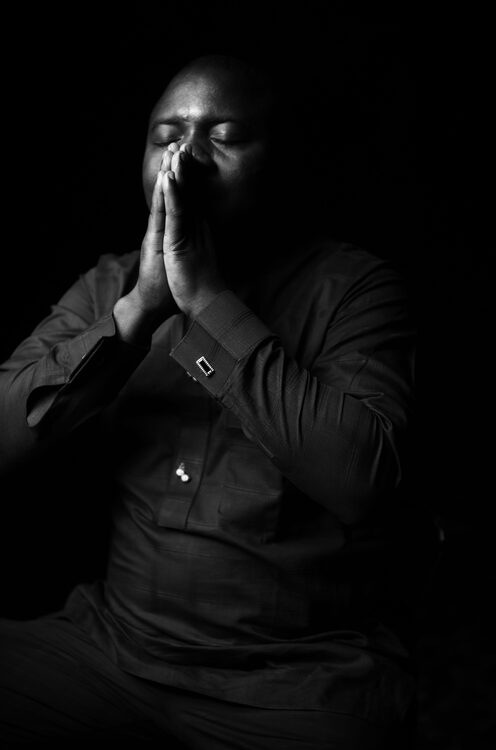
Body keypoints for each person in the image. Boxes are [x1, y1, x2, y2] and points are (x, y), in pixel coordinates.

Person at [0, 54, 419, 748]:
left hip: (291, 679)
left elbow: (362, 481)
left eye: (222, 137)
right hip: (109, 651)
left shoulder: (354, 290)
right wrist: (139, 311)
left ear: (279, 160)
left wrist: (205, 300)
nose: (185, 159)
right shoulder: (109, 286)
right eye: (167, 137)